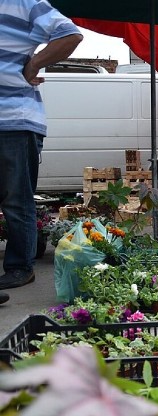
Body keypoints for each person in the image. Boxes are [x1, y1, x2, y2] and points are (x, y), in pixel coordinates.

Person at [0, 0, 82, 299]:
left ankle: (20, 267)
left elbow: (69, 34)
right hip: (15, 120)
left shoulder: (23, 3)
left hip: (14, 119)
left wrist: (34, 63)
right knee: (15, 199)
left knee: (16, 200)